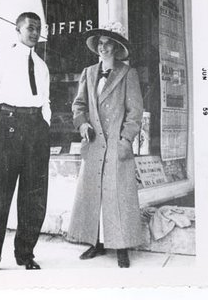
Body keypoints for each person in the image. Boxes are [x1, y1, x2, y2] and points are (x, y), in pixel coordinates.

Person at [67, 24, 143, 268]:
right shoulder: (88, 73)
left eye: (107, 43)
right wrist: (82, 125)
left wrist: (125, 140)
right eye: (99, 43)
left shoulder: (128, 73)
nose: (102, 47)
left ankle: (121, 247)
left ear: (116, 47)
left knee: (118, 195)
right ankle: (95, 243)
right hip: (94, 143)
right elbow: (79, 105)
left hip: (116, 143)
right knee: (93, 195)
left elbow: (135, 113)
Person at [0, 12, 51, 271]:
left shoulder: (42, 66)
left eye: (38, 28)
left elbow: (46, 100)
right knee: (2, 194)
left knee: (33, 195)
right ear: (18, 30)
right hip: (7, 127)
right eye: (30, 28)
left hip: (35, 129)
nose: (35, 32)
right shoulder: (2, 60)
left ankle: (25, 254)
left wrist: (45, 124)